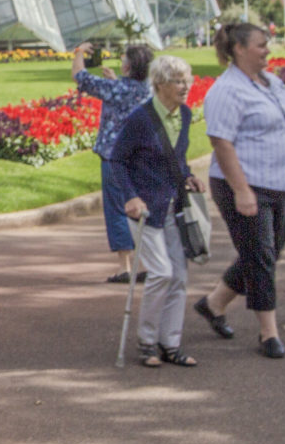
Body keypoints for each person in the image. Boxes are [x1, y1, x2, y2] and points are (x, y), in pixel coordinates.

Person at [193, 21, 285, 358]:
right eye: (260, 45)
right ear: (239, 49)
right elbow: (221, 143)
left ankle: (213, 304)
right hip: (241, 182)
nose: (267, 50)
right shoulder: (227, 90)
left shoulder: (272, 83)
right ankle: (268, 333)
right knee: (261, 256)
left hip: (276, 182)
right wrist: (242, 190)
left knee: (271, 247)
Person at [110, 54, 204, 367]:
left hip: (173, 207)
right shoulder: (141, 118)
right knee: (161, 272)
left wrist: (187, 175)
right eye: (178, 81)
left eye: (186, 80)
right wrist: (131, 197)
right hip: (146, 210)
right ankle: (147, 343)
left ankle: (171, 344)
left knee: (178, 276)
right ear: (160, 84)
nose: (185, 86)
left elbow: (176, 158)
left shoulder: (185, 115)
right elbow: (118, 160)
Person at [73, 41, 155, 283]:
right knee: (145, 208)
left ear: (128, 65)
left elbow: (80, 76)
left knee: (118, 210)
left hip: (114, 156)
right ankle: (150, 262)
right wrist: (116, 79)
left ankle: (125, 266)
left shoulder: (115, 90)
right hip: (143, 158)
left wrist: (78, 53)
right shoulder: (149, 89)